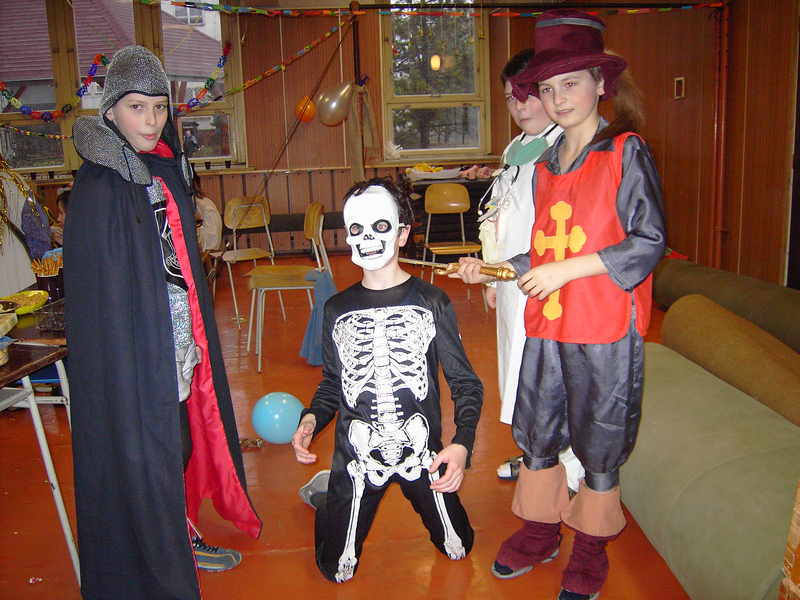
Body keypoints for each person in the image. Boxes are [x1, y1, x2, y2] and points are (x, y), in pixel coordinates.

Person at [453, 9, 666, 599]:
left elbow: (648, 241)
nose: (558, 97)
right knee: (538, 427)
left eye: (571, 83)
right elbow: (543, 250)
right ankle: (540, 528)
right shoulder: (545, 166)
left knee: (599, 437)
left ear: (601, 83)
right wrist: (494, 268)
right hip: (547, 323)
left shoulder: (625, 151)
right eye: (547, 88)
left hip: (603, 324)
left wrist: (569, 270)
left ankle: (590, 548)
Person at [64, 46, 261, 600]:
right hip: (133, 351)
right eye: (136, 108)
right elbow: (103, 289)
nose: (150, 121)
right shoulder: (100, 185)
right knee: (145, 448)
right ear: (110, 110)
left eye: (158, 107)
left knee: (178, 440)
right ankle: (157, 548)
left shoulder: (161, 167)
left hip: (176, 337)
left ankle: (176, 529)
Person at [291, 178, 483, 583]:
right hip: (357, 456)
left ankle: (332, 492)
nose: (367, 238)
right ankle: (329, 498)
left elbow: (465, 383)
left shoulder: (432, 301)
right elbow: (333, 381)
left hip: (421, 454)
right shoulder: (337, 308)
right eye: (356, 229)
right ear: (347, 236)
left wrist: (462, 443)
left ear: (402, 234)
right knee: (335, 571)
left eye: (380, 227)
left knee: (460, 547)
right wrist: (312, 417)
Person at [480, 49, 583, 488]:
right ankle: (535, 454)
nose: (520, 107)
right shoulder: (516, 149)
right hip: (511, 281)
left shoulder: (566, 148)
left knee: (551, 376)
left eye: (528, 94)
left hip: (548, 282)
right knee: (519, 373)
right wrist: (491, 274)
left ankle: (570, 468)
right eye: (510, 97)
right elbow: (501, 215)